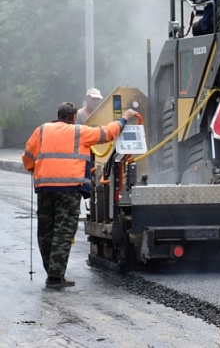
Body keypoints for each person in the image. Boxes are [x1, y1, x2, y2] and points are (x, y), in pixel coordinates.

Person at [22, 102, 137, 288]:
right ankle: (55, 276)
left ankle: (51, 270)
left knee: (45, 230)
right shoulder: (80, 131)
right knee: (63, 230)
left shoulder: (41, 130)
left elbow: (27, 158)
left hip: (45, 188)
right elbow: (107, 133)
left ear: (58, 115)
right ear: (74, 117)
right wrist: (124, 118)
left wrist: (37, 169)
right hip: (69, 189)